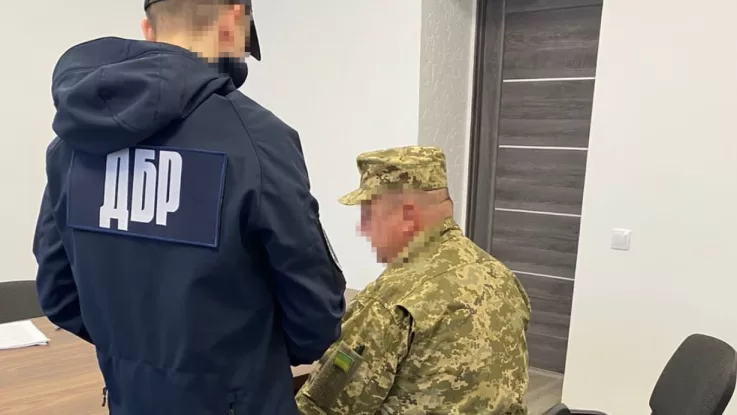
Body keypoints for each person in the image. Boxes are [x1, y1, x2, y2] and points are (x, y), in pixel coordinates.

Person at [32, 1, 346, 414]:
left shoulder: (73, 143)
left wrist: (137, 360)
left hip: (130, 400)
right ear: (233, 23)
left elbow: (58, 293)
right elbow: (316, 318)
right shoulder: (259, 140)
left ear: (148, 30)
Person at [295, 146, 532, 414]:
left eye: (368, 215)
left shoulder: (390, 301)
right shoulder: (502, 277)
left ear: (406, 216)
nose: (363, 229)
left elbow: (320, 409)